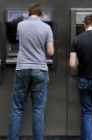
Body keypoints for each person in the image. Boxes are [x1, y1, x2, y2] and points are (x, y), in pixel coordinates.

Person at [7, 3, 54, 140]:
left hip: (22, 69)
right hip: (40, 70)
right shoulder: (47, 27)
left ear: (28, 13)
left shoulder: (20, 25)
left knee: (17, 109)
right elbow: (50, 51)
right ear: (42, 14)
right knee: (38, 111)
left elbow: (18, 41)